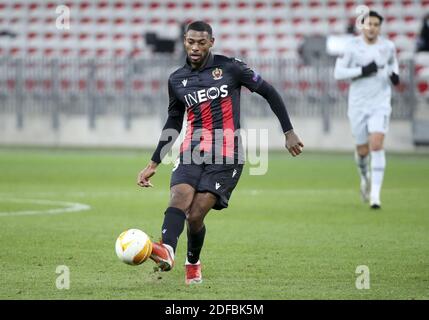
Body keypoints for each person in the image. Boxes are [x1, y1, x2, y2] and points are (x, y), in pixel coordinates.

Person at [137, 21, 304, 284]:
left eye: (201, 43)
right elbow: (173, 120)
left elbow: (269, 92)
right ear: (184, 41)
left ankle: (192, 262)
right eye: (191, 42)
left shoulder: (231, 67)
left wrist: (288, 131)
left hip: (228, 154)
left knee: (195, 216)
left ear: (211, 43)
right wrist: (154, 161)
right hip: (192, 150)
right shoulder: (177, 79)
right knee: (179, 196)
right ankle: (167, 250)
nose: (195, 47)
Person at [334, 11, 400, 209]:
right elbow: (338, 73)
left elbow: (392, 65)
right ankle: (365, 177)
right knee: (362, 150)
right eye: (368, 24)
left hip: (380, 103)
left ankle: (375, 196)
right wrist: (362, 70)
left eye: (375, 24)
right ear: (362, 26)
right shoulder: (352, 47)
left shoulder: (388, 47)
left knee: (377, 144)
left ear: (380, 27)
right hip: (358, 104)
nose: (371, 27)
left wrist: (395, 75)